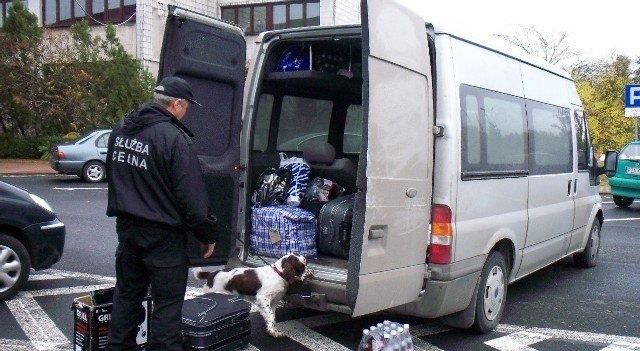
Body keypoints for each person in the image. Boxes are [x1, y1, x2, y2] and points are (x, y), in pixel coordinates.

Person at [106, 76, 218, 351]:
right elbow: (191, 198)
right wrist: (207, 234)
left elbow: (116, 175)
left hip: (128, 231)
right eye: (187, 107)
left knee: (126, 299)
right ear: (177, 104)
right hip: (163, 239)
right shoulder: (173, 138)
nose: (185, 113)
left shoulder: (121, 128)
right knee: (166, 308)